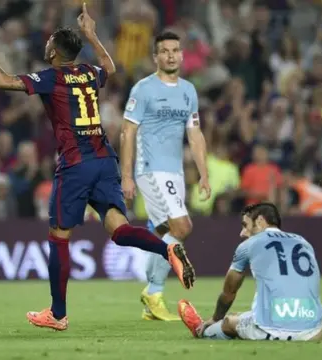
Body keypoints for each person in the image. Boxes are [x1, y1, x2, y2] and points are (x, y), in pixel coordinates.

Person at [0, 3, 196, 332]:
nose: (45, 46)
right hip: (105, 160)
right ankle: (167, 249)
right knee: (118, 229)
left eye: (48, 43)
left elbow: (2, 80)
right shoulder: (89, 72)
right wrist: (92, 34)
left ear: (54, 53)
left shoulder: (51, 78)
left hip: (76, 164)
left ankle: (58, 314)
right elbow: (111, 67)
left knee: (59, 237)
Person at [120, 31, 210, 321]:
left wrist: (204, 174)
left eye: (175, 50)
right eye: (164, 51)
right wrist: (127, 176)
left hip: (175, 172)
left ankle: (151, 304)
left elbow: (195, 134)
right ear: (155, 57)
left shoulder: (188, 91)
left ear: (182, 55)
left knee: (163, 233)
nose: (171, 55)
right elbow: (127, 132)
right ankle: (154, 290)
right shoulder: (143, 89)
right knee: (182, 227)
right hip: (150, 168)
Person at [178, 203, 322, 341]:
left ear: (260, 221)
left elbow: (229, 293)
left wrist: (216, 318)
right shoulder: (303, 242)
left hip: (271, 328)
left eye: (245, 225)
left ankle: (201, 330)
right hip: (313, 330)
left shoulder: (248, 245)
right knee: (244, 315)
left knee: (229, 321)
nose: (242, 233)